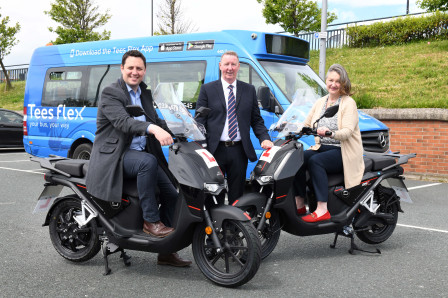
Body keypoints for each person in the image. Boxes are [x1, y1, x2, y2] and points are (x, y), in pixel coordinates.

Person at [86, 50, 191, 267]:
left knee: (173, 194)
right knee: (148, 162)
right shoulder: (111, 93)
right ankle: (150, 221)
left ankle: (166, 252)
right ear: (122, 69)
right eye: (131, 68)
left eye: (139, 69)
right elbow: (124, 122)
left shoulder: (144, 93)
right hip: (116, 156)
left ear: (145, 71)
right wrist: (153, 129)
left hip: (140, 154)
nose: (135, 72)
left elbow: (155, 119)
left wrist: (183, 129)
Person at [195, 51, 273, 205]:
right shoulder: (208, 89)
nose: (229, 68)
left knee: (237, 196)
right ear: (220, 66)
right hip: (214, 150)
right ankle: (214, 227)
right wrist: (201, 146)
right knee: (213, 193)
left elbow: (256, 120)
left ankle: (234, 227)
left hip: (239, 151)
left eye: (233, 64)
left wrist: (264, 138)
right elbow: (199, 122)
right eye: (226, 64)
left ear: (238, 66)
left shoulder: (249, 90)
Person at [294, 64, 365, 223]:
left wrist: (330, 133)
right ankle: (299, 203)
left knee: (315, 161)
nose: (333, 84)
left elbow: (347, 132)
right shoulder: (320, 102)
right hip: (322, 147)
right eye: (330, 80)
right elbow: (307, 123)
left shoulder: (348, 103)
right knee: (296, 159)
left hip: (343, 150)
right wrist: (290, 127)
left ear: (343, 83)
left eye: (337, 81)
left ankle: (322, 209)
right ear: (326, 81)